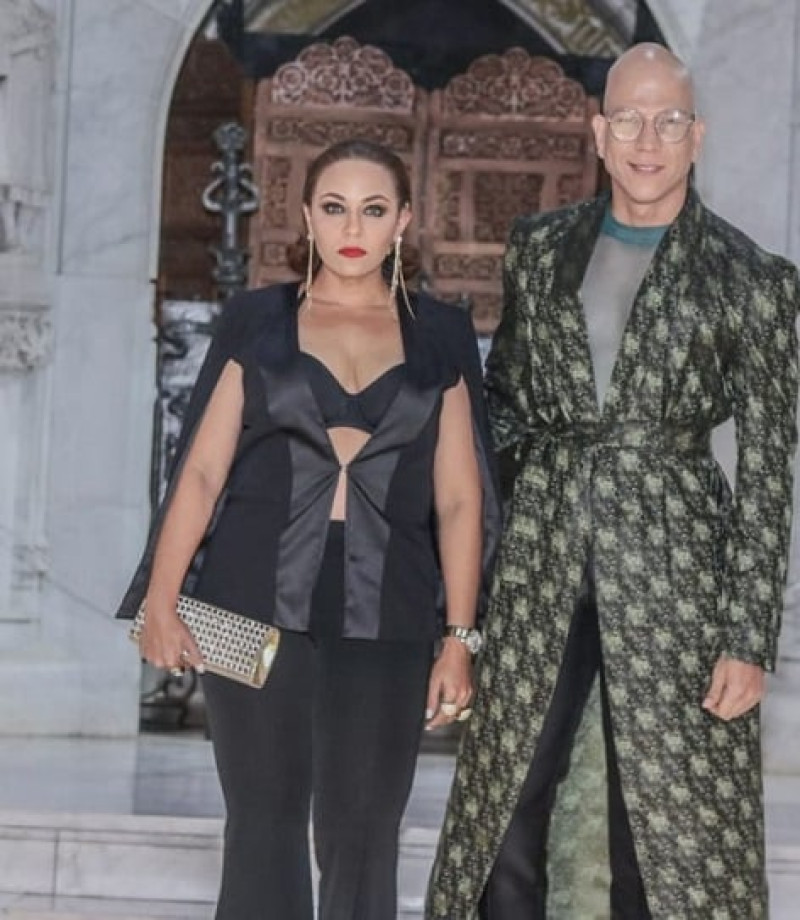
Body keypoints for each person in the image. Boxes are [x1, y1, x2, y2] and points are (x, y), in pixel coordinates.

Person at [428, 43, 800, 919]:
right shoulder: (539, 247)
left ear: (697, 136)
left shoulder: (751, 279)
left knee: (661, 828)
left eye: (669, 121)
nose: (647, 140)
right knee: (506, 802)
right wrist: (472, 573)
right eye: (628, 119)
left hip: (678, 572)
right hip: (541, 561)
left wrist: (749, 639)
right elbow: (503, 409)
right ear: (599, 133)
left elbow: (768, 469)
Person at [117, 138, 500, 920]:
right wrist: (161, 597)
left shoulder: (441, 334)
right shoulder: (256, 319)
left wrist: (460, 637)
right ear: (306, 216)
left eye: (373, 209)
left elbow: (462, 498)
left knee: (365, 837)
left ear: (404, 220)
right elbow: (201, 471)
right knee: (263, 827)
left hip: (390, 607)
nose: (352, 228)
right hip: (249, 598)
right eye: (334, 207)